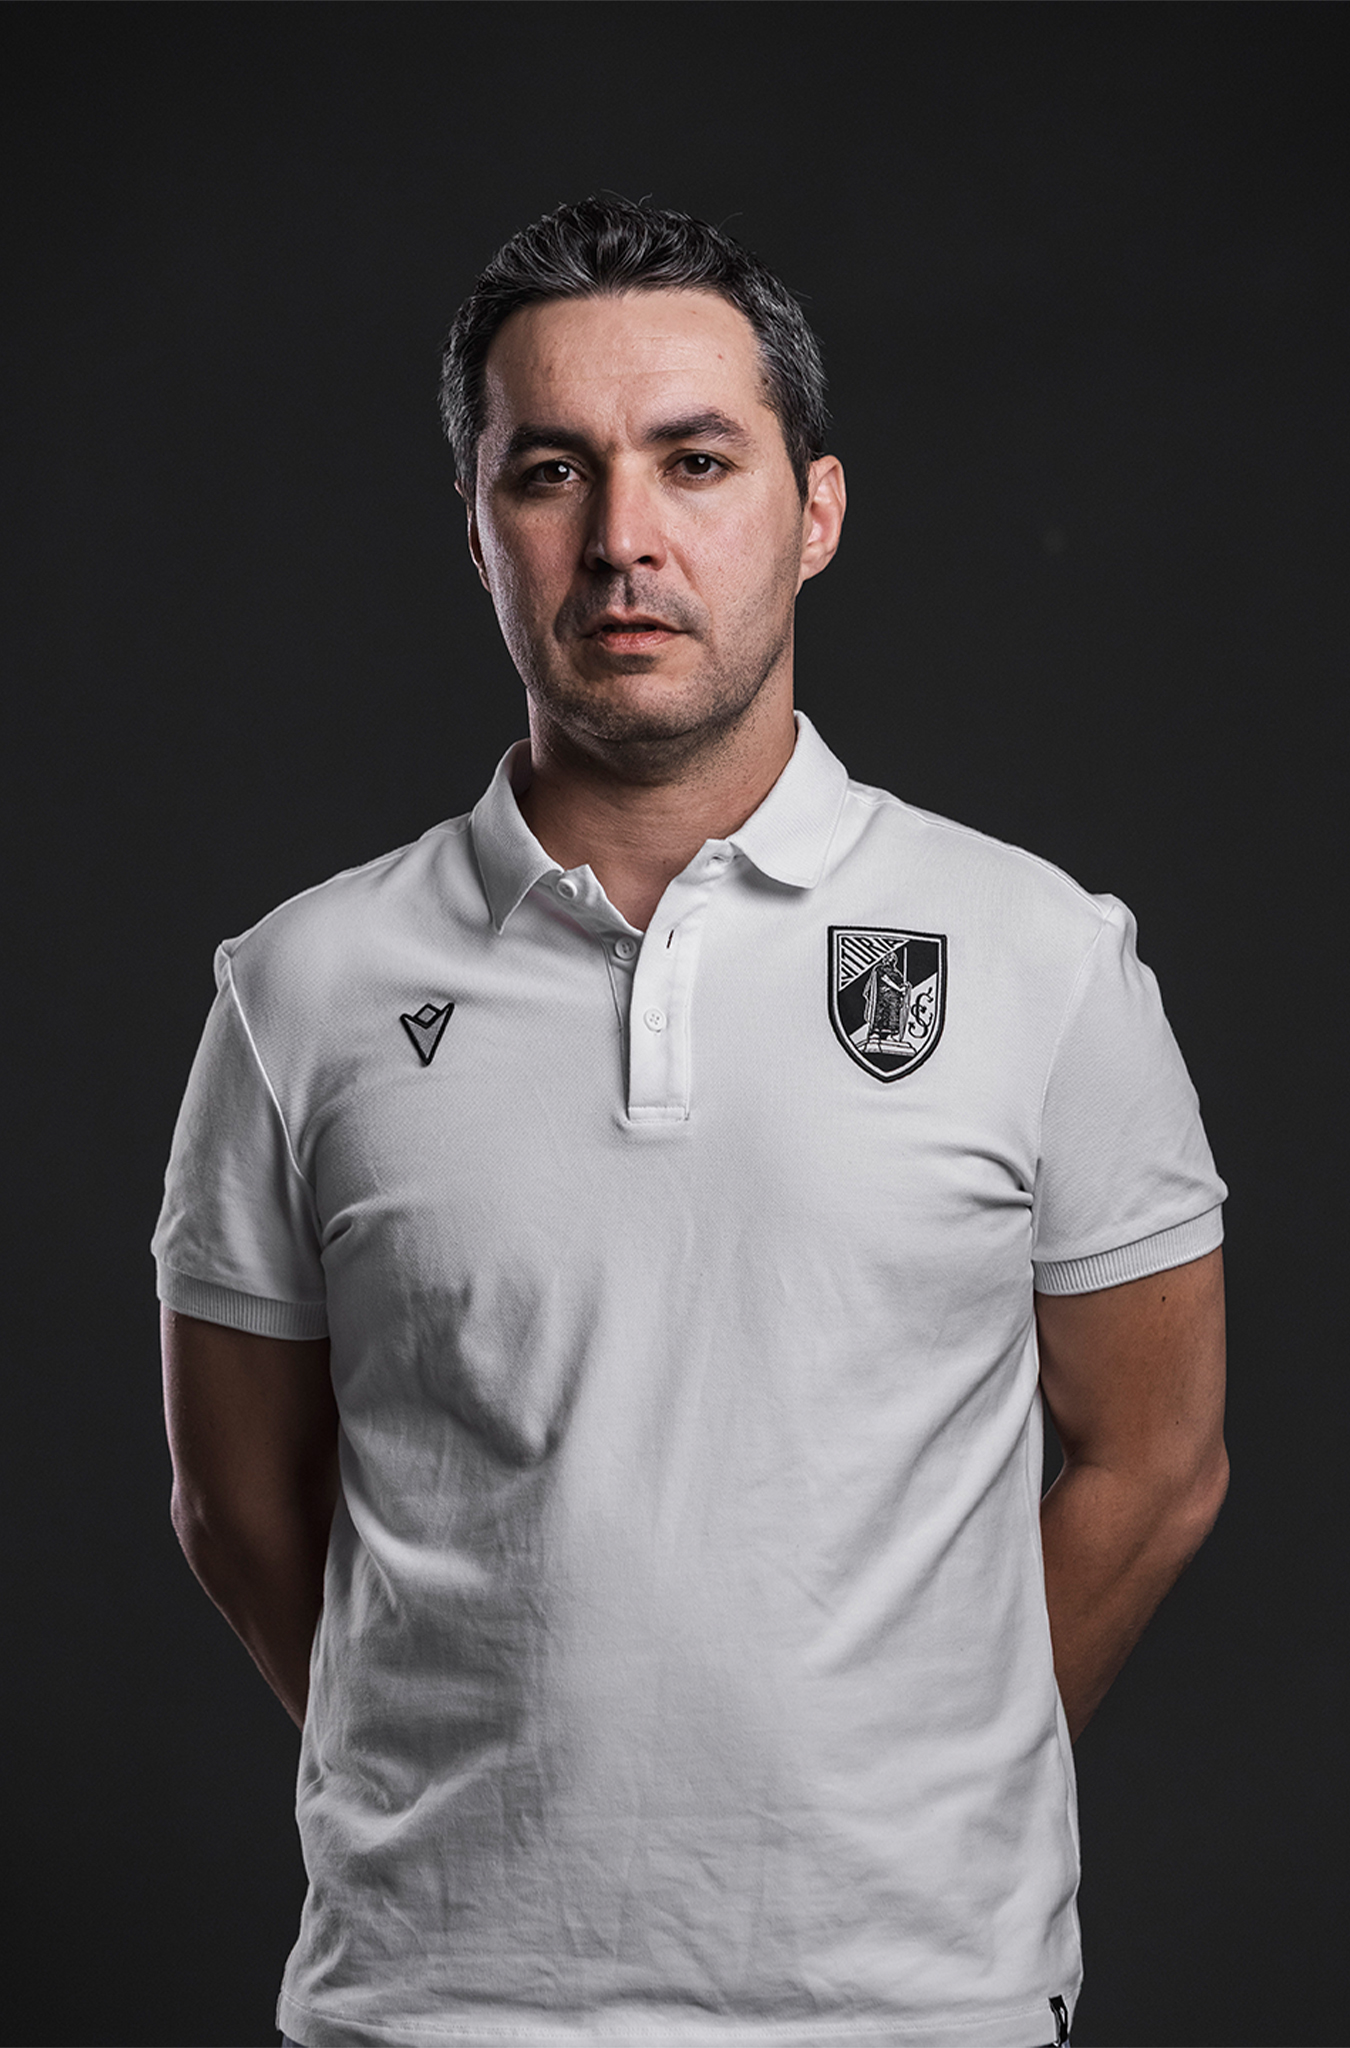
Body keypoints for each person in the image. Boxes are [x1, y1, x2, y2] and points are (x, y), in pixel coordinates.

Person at [155, 197, 1228, 2048]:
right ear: (477, 527)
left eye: (696, 460)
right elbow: (240, 1505)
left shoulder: (1039, 956)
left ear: (814, 512)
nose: (622, 540)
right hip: (440, 2006)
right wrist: (474, 1782)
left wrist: (915, 1776)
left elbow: (1158, 1462)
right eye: (550, 472)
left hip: (916, 2005)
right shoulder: (301, 989)